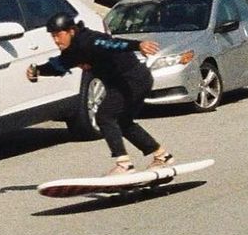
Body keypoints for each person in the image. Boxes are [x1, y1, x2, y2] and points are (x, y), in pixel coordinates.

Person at [28, 11, 173, 175]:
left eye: (58, 35)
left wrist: (137, 45)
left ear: (71, 31)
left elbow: (112, 44)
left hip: (133, 80)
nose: (56, 40)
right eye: (53, 36)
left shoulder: (89, 40)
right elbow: (60, 65)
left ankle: (124, 165)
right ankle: (162, 156)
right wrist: (38, 70)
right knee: (123, 122)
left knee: (105, 117)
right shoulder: (72, 49)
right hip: (123, 82)